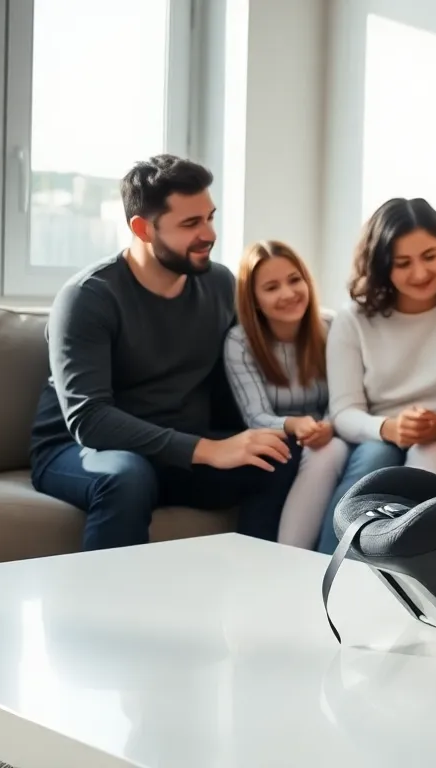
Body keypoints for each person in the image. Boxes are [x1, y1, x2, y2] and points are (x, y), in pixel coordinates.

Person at [29, 154, 302, 551]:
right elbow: (90, 420)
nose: (209, 234)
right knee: (128, 475)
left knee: (277, 454)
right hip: (82, 451)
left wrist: (276, 427)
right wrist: (208, 449)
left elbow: (230, 384)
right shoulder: (88, 297)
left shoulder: (220, 285)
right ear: (142, 228)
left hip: (178, 452)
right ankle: (103, 612)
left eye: (210, 217)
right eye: (191, 223)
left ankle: (251, 588)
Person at [316, 197, 436, 553]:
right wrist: (387, 428)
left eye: (430, 256)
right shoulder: (353, 319)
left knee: (425, 462)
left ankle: (415, 574)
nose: (420, 273)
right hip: (375, 435)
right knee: (376, 459)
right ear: (380, 266)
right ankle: (326, 567)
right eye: (403, 263)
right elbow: (343, 413)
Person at [224, 240, 351, 549]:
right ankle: (275, 555)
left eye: (295, 280)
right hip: (277, 434)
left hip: (329, 433)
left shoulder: (331, 325)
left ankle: (301, 554)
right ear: (253, 300)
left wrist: (329, 425)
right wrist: (294, 425)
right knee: (279, 458)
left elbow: (347, 396)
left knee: (330, 450)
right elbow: (255, 416)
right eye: (271, 287)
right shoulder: (240, 341)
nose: (288, 293)